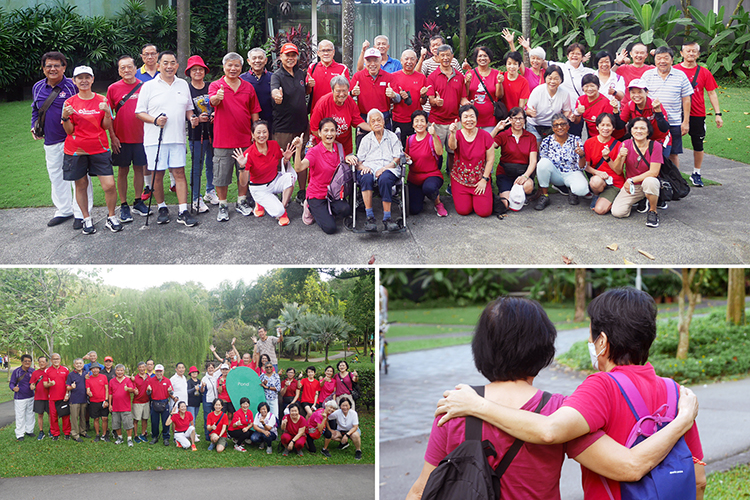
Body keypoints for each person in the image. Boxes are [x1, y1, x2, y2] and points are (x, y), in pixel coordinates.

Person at [434, 289, 705, 500]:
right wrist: (682, 420)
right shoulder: (678, 394)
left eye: (591, 334)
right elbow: (698, 479)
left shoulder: (601, 386)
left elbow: (551, 430)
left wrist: (477, 405)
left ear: (602, 342)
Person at [134, 51, 198, 227]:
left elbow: (188, 108)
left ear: (177, 65)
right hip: (155, 139)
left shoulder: (183, 84)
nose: (169, 66)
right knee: (157, 174)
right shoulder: (148, 86)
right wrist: (155, 120)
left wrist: (191, 118)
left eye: (172, 63)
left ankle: (183, 210)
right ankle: (162, 207)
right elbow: (139, 112)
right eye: (165, 63)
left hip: (177, 137)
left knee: (179, 173)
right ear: (159, 65)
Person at [31, 51, 93, 229]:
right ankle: (64, 210)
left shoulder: (73, 85)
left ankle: (82, 213)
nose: (52, 69)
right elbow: (35, 109)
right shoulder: (37, 87)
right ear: (43, 68)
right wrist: (33, 125)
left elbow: (86, 106)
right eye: (48, 65)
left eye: (57, 65)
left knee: (80, 177)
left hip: (73, 139)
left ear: (64, 67)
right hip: (50, 140)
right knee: (56, 176)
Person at [61, 65, 121, 235]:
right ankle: (86, 218)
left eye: (87, 77)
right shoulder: (69, 103)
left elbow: (105, 126)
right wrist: (65, 116)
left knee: (109, 185)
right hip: (76, 150)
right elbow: (69, 130)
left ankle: (111, 217)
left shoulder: (101, 100)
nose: (84, 81)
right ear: (74, 81)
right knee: (81, 185)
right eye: (80, 78)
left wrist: (107, 113)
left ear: (93, 79)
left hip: (99, 148)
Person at [208, 52, 261, 221]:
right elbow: (212, 101)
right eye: (229, 65)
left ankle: (241, 201)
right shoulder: (216, 85)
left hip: (245, 139)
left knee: (244, 173)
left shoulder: (248, 87)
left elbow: (254, 111)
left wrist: (255, 131)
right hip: (223, 140)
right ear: (224, 67)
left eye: (236, 65)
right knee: (221, 174)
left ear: (241, 67)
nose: (233, 68)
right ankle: (223, 205)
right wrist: (218, 97)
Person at [106, 55, 152, 221]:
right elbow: (108, 115)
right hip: (121, 138)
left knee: (139, 169)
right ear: (119, 71)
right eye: (122, 68)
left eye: (129, 67)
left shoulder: (145, 87)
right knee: (123, 170)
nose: (126, 70)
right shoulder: (113, 88)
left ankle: (138, 201)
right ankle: (124, 205)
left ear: (135, 68)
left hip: (142, 137)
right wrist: (113, 137)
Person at [673, 42, 723, 187]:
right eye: (688, 51)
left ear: (698, 54)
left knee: (698, 144)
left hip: (697, 113)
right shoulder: (674, 70)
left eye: (694, 51)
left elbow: (712, 93)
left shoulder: (704, 72)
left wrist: (718, 114)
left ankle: (696, 172)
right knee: (672, 144)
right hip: (676, 113)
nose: (691, 54)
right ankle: (673, 174)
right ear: (681, 54)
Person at [350, 108, 405, 233]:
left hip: (389, 168)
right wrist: (364, 167)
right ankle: (370, 218)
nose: (376, 123)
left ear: (384, 121)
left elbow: (397, 157)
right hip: (369, 168)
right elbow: (359, 161)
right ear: (369, 125)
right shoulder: (366, 139)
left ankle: (387, 218)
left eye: (378, 120)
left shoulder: (392, 137)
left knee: (385, 178)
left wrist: (385, 168)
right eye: (373, 121)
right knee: (366, 177)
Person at [291, 118, 349, 234]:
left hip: (333, 193)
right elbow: (299, 168)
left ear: (336, 132)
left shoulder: (339, 148)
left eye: (332, 130)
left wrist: (350, 158)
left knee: (346, 210)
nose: (329, 134)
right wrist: (298, 149)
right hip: (317, 195)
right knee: (330, 228)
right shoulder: (314, 152)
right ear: (319, 133)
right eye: (326, 130)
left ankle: (325, 212)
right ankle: (309, 208)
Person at [232, 121, 295, 226]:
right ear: (253, 135)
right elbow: (243, 183)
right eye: (258, 132)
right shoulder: (248, 154)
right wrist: (242, 167)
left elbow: (281, 164)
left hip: (274, 181)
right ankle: (260, 202)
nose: (262, 135)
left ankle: (283, 209)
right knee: (277, 211)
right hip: (259, 188)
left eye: (264, 132)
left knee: (291, 177)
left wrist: (286, 159)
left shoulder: (274, 145)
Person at [641, 46, 693, 167]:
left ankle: (675, 181)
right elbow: (640, 96)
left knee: (673, 154)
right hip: (652, 122)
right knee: (649, 152)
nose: (662, 61)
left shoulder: (680, 75)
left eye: (666, 58)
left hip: (674, 122)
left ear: (672, 60)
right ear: (655, 60)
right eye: (659, 58)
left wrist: (685, 122)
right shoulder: (647, 75)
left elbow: (686, 99)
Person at [271, 43, 310, 202]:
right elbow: (274, 90)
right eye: (287, 55)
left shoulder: (301, 73)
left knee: (301, 160)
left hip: (301, 126)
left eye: (293, 55)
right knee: (281, 160)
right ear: (281, 57)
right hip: (283, 127)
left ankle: (301, 192)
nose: (291, 58)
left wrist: (309, 87)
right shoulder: (277, 76)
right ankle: (277, 193)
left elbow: (303, 91)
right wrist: (276, 95)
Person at [610, 117, 663, 228]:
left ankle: (653, 211)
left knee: (650, 181)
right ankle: (644, 198)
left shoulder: (655, 146)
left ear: (648, 131)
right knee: (618, 212)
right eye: (636, 128)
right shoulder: (626, 144)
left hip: (646, 182)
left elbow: (654, 172)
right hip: (633, 187)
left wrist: (631, 180)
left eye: (643, 128)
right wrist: (620, 156)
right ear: (631, 130)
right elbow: (617, 170)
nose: (639, 131)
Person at [427, 44, 470, 178]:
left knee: (454, 152)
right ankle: (434, 177)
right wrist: (436, 102)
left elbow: (463, 98)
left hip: (454, 122)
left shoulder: (459, 76)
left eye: (448, 55)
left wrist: (467, 105)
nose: (445, 58)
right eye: (442, 55)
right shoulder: (432, 77)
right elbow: (430, 99)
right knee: (435, 152)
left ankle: (453, 179)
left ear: (452, 56)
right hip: (436, 121)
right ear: (438, 57)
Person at [448, 104, 495, 217]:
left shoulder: (485, 136)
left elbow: (490, 159)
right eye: (465, 117)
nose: (469, 120)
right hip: (460, 179)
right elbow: (452, 147)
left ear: (477, 118)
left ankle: (481, 197)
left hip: (479, 180)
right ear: (460, 120)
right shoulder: (457, 134)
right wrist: (453, 134)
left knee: (484, 212)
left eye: (472, 116)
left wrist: (484, 179)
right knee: (463, 211)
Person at [534, 112, 587, 210]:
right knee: (542, 163)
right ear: (553, 128)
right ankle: (544, 195)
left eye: (563, 124)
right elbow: (543, 165)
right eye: (556, 125)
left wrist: (582, 155)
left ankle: (572, 190)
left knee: (582, 190)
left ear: (568, 126)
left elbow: (582, 167)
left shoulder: (576, 140)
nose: (560, 127)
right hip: (555, 174)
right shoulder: (547, 141)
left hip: (572, 173)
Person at [491, 107, 538, 210]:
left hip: (522, 173)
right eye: (514, 118)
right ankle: (511, 194)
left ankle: (518, 194)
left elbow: (533, 161)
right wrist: (497, 129)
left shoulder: (531, 137)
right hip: (505, 173)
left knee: (529, 186)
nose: (518, 121)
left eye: (521, 118)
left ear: (525, 120)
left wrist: (525, 176)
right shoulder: (503, 135)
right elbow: (487, 145)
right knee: (507, 204)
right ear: (510, 120)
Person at [309, 75, 369, 155]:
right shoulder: (323, 104)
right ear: (332, 90)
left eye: (344, 91)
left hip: (345, 147)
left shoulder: (350, 101)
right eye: (338, 91)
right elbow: (314, 129)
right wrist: (331, 140)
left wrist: (373, 128)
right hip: (326, 147)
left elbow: (357, 120)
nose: (341, 94)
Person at [185, 55, 214, 213]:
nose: (197, 72)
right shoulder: (186, 89)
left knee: (212, 164)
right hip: (196, 134)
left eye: (200, 69)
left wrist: (214, 114)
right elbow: (182, 110)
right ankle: (196, 197)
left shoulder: (211, 86)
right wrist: (195, 118)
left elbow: (217, 104)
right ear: (189, 72)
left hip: (213, 131)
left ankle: (211, 190)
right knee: (197, 166)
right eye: (194, 69)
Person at [404, 110, 447, 217]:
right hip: (414, 178)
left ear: (426, 123)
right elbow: (408, 155)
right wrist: (405, 156)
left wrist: (434, 135)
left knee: (429, 188)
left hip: (431, 175)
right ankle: (421, 196)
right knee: (414, 210)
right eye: (416, 121)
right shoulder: (410, 139)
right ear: (413, 124)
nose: (419, 124)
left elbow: (440, 152)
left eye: (422, 121)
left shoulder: (432, 138)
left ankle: (437, 203)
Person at [351, 47, 402, 135]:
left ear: (380, 60)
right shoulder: (358, 76)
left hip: (383, 116)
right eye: (369, 61)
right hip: (364, 117)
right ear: (364, 62)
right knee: (364, 146)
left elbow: (398, 99)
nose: (372, 64)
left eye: (375, 60)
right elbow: (347, 96)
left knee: (385, 146)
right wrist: (352, 93)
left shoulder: (389, 77)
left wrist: (393, 95)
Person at [549, 43, 596, 137]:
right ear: (567, 55)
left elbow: (604, 75)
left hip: (577, 113)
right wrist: (527, 48)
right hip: (560, 111)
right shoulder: (560, 67)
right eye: (572, 53)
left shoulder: (589, 72)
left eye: (578, 54)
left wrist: (617, 64)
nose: (574, 55)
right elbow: (540, 61)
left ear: (582, 57)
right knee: (558, 137)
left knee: (575, 138)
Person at [584, 113, 624, 215]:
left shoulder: (619, 145)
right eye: (602, 125)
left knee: (600, 210)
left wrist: (607, 158)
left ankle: (615, 199)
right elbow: (586, 166)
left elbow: (618, 171)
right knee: (595, 181)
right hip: (600, 180)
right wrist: (598, 172)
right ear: (597, 127)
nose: (605, 128)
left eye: (609, 125)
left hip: (615, 182)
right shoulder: (589, 143)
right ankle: (596, 195)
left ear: (613, 128)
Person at [619, 79, 671, 155]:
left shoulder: (654, 104)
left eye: (640, 92)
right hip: (640, 139)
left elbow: (664, 128)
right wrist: (615, 111)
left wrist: (658, 111)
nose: (636, 95)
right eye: (633, 92)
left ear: (646, 92)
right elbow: (620, 125)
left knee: (660, 164)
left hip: (659, 139)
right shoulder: (629, 105)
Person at [391, 49, 429, 147]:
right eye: (406, 59)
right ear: (401, 60)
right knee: (399, 148)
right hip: (399, 119)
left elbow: (423, 102)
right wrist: (397, 96)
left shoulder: (421, 77)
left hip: (416, 119)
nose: (409, 62)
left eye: (412, 59)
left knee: (417, 147)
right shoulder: (393, 77)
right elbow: (390, 100)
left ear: (416, 61)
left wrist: (424, 95)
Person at [526, 65, 572, 142]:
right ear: (545, 78)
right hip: (535, 125)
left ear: (561, 80)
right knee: (536, 148)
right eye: (549, 78)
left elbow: (566, 111)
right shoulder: (537, 91)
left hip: (554, 126)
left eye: (556, 78)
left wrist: (570, 116)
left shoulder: (565, 93)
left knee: (553, 149)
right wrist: (531, 113)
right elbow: (528, 110)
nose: (552, 81)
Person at [464, 46, 503, 132]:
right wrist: (467, 82)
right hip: (472, 117)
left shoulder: (496, 73)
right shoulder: (470, 73)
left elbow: (499, 95)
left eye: (485, 56)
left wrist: (500, 83)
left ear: (489, 58)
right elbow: (465, 95)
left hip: (490, 118)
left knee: (488, 144)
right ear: (476, 58)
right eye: (480, 56)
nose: (482, 58)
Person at [307, 39, 351, 111]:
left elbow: (347, 92)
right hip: (317, 110)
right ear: (318, 53)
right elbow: (307, 91)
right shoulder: (312, 67)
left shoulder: (342, 68)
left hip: (336, 111)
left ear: (333, 52)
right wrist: (309, 85)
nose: (326, 53)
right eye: (323, 51)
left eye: (329, 50)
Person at [571, 74, 617, 139]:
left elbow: (609, 126)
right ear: (582, 88)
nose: (589, 89)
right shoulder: (580, 100)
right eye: (586, 86)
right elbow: (576, 122)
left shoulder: (606, 103)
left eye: (592, 86)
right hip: (591, 134)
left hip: (606, 135)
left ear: (598, 87)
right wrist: (578, 112)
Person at [241, 48, 274, 134]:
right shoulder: (241, 79)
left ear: (266, 60)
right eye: (254, 58)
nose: (257, 61)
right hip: (248, 123)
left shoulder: (274, 78)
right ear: (248, 61)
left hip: (271, 122)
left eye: (260, 58)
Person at [43, 353, 71, 440]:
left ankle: (67, 433)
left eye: (57, 359)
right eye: (54, 359)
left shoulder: (65, 370)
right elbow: (44, 384)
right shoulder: (47, 371)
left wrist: (67, 394)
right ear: (51, 360)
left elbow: (68, 383)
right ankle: (55, 434)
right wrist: (49, 384)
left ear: (60, 360)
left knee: (65, 416)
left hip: (63, 398)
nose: (56, 360)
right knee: (53, 416)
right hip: (52, 398)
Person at [148, 363, 177, 446]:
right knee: (154, 421)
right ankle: (155, 437)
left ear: (163, 372)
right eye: (157, 371)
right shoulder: (151, 380)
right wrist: (149, 391)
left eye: (160, 371)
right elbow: (148, 393)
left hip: (165, 403)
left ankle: (166, 437)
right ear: (155, 371)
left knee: (166, 421)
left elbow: (171, 392)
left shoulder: (167, 380)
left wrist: (170, 391)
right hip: (155, 403)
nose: (159, 373)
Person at [108, 363, 136, 447]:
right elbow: (110, 393)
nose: (119, 372)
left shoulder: (127, 380)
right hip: (115, 407)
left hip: (125, 407)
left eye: (121, 370)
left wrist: (128, 389)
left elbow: (132, 390)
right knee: (116, 424)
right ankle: (120, 437)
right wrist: (110, 404)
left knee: (128, 424)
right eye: (118, 370)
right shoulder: (112, 381)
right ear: (115, 371)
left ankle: (129, 439)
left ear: (123, 371)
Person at [10, 354, 35, 441]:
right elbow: (11, 383)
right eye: (25, 361)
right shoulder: (16, 371)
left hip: (31, 396)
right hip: (19, 397)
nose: (27, 363)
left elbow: (36, 381)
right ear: (22, 362)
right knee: (20, 416)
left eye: (29, 361)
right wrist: (14, 388)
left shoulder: (33, 371)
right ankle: (20, 434)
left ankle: (29, 430)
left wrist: (34, 385)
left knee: (30, 414)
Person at [65, 357, 87, 442]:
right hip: (74, 400)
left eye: (80, 363)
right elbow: (67, 387)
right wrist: (71, 387)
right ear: (74, 365)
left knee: (83, 417)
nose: (79, 365)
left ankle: (83, 431)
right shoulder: (71, 375)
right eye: (77, 363)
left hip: (84, 399)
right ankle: (75, 434)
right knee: (74, 418)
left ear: (83, 365)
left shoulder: (86, 374)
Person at [86, 363, 110, 442]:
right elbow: (88, 389)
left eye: (97, 368)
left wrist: (106, 400)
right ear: (91, 370)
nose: (95, 370)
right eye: (93, 369)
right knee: (96, 418)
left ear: (99, 369)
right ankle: (97, 434)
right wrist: (89, 393)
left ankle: (104, 434)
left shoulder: (103, 377)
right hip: (93, 402)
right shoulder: (88, 378)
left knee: (104, 418)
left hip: (103, 401)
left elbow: (107, 389)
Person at [29, 355, 49, 440]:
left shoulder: (49, 371)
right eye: (40, 362)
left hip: (49, 397)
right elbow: (32, 383)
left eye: (43, 362)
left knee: (50, 414)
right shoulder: (35, 373)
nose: (41, 363)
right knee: (40, 415)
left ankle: (52, 430)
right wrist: (32, 386)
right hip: (39, 397)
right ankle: (41, 431)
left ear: (47, 363)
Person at [130, 361, 150, 443]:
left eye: (143, 367)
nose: (142, 368)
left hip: (146, 401)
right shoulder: (135, 378)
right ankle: (135, 436)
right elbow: (132, 388)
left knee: (145, 419)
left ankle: (142, 434)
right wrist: (134, 390)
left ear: (145, 368)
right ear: (138, 368)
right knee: (136, 419)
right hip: (137, 402)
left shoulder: (149, 377)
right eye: (140, 367)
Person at [200, 362, 220, 440]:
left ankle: (216, 433)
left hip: (216, 401)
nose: (210, 369)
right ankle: (207, 435)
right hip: (207, 400)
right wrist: (202, 386)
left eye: (212, 367)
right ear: (207, 369)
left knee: (216, 417)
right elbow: (201, 391)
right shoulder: (204, 378)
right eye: (209, 368)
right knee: (207, 418)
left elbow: (223, 368)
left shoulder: (216, 376)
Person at [186, 366, 202, 431]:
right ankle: (192, 434)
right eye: (193, 372)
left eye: (195, 372)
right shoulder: (189, 382)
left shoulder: (199, 381)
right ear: (190, 374)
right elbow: (187, 392)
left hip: (197, 403)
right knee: (192, 420)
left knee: (194, 417)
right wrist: (194, 389)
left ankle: (192, 432)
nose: (194, 373)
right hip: (190, 403)